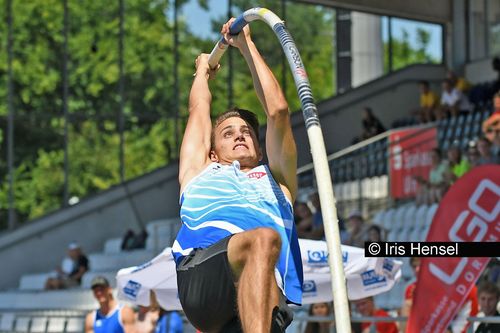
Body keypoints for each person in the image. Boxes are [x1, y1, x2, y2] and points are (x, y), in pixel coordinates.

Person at [172, 18, 302, 333]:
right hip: (203, 277)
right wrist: (202, 72)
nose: (240, 135)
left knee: (264, 245)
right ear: (213, 152)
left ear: (260, 150)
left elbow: (279, 112)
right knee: (263, 238)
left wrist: (245, 44)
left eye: (246, 132)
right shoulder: (199, 172)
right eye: (228, 133)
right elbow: (199, 109)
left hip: (263, 291)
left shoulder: (279, 183)